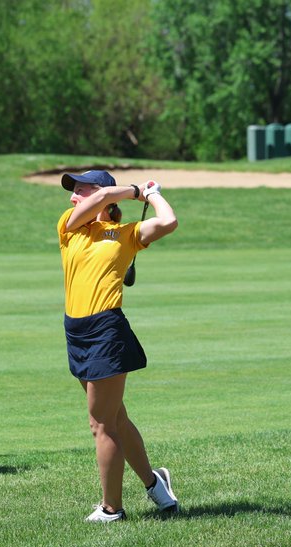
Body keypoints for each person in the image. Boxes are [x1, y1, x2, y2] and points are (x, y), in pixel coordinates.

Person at [57, 169, 180, 522]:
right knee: (117, 419)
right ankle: (156, 484)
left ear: (103, 193)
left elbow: (168, 221)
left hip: (106, 331)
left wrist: (152, 194)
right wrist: (133, 190)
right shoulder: (71, 227)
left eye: (80, 190)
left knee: (102, 424)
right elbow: (96, 202)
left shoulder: (126, 234)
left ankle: (112, 509)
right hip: (76, 332)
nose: (72, 198)